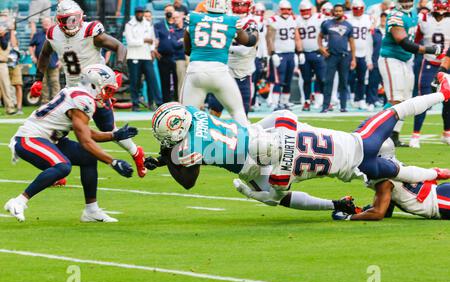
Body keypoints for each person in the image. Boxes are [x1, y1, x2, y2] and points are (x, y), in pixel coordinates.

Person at [145, 73, 450, 210]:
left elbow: (187, 181)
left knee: (271, 196)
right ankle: (443, 94)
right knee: (273, 187)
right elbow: (286, 119)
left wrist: (167, 153)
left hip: (261, 160)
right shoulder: (194, 115)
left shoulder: (190, 146)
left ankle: (333, 203)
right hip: (273, 139)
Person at [4, 65, 136, 223]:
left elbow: (85, 132)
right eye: (107, 89)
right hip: (30, 137)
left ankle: (91, 211)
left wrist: (114, 135)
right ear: (94, 84)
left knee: (87, 157)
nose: (108, 95)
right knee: (63, 166)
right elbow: (85, 140)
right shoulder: (84, 99)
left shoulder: (78, 93)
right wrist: (113, 162)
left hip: (49, 138)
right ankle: (19, 201)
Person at [31, 0, 147, 178]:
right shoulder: (53, 33)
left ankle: (136, 152)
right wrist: (38, 80)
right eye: (67, 20)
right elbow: (45, 54)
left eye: (74, 19)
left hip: (95, 89)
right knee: (55, 132)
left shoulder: (90, 31)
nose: (72, 23)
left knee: (109, 129)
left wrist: (118, 71)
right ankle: (57, 170)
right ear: (59, 20)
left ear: (81, 17)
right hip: (71, 92)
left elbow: (120, 47)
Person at [181, 0, 259, 127]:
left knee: (186, 116)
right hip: (219, 72)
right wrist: (254, 32)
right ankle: (249, 143)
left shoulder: (193, 18)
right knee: (238, 112)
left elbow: (187, 51)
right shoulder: (232, 21)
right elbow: (249, 41)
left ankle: (179, 145)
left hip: (195, 71)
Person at [333, 139, 450, 220]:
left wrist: (348, 217)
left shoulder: (383, 179)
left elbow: (378, 213)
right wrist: (359, 210)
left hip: (439, 201)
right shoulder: (392, 167)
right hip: (439, 193)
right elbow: (386, 207)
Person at [379, 0, 442, 147]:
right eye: (403, 0)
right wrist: (429, 49)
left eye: (409, 0)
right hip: (391, 58)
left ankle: (394, 136)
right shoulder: (395, 15)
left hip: (406, 60)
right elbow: (404, 42)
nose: (407, 3)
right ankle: (376, 133)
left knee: (405, 101)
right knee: (395, 99)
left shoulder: (413, 14)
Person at [408, 0, 450, 148]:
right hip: (429, 64)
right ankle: (415, 135)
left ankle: (447, 132)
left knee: (448, 101)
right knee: (424, 99)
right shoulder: (424, 19)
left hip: (447, 64)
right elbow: (416, 41)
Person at [207, 0, 259, 117]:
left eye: (243, 5)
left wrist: (225, 47)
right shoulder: (225, 19)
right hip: (223, 70)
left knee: (241, 114)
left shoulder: (251, 22)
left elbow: (245, 50)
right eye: (237, 5)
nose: (240, 8)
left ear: (249, 6)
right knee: (215, 109)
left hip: (242, 73)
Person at [318, 4, 356, 113]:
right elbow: (320, 36)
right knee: (328, 81)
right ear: (333, 12)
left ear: (343, 12)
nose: (338, 13)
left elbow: (352, 42)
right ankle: (325, 106)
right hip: (331, 56)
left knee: (343, 82)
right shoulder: (327, 24)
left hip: (344, 56)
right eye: (336, 11)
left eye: (340, 11)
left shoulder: (348, 25)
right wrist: (321, 48)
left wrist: (353, 58)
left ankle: (343, 107)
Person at [266, 0, 302, 111]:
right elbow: (269, 39)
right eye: (283, 9)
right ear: (279, 10)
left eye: (288, 9)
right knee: (278, 80)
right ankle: (275, 103)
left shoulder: (293, 19)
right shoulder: (273, 20)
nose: (286, 11)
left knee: (288, 79)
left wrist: (299, 52)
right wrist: (272, 53)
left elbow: (297, 37)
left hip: (290, 53)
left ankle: (285, 102)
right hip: (279, 54)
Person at [124, 6, 160, 111]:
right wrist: (144, 40)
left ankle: (154, 103)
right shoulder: (129, 25)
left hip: (146, 56)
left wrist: (152, 50)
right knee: (135, 81)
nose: (139, 14)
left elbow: (152, 40)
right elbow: (130, 42)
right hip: (134, 56)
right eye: (138, 12)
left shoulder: (148, 24)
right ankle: (135, 104)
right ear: (135, 13)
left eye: (141, 12)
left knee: (152, 80)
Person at [297, 0, 326, 111]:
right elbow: (296, 36)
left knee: (321, 78)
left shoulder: (319, 17)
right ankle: (307, 101)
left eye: (307, 10)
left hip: (317, 52)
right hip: (305, 54)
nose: (305, 13)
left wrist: (324, 46)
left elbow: (327, 31)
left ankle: (323, 101)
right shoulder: (297, 20)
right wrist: (299, 52)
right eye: (303, 11)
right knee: (306, 79)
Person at [347, 0, 373, 111]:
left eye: (360, 8)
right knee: (349, 77)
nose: (358, 11)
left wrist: (369, 57)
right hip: (349, 52)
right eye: (355, 8)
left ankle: (360, 99)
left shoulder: (368, 18)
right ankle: (352, 97)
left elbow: (369, 39)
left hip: (363, 52)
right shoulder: (347, 18)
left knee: (362, 78)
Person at [29, 17, 61, 105]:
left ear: (51, 23)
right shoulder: (37, 34)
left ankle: (56, 102)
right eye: (44, 22)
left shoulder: (56, 34)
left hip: (54, 63)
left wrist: (61, 60)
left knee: (55, 83)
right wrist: (33, 56)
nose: (46, 24)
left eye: (48, 22)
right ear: (42, 24)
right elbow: (31, 46)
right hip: (41, 65)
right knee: (43, 83)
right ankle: (45, 102)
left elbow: (63, 47)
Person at [154, 4, 180, 102]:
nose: (169, 12)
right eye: (167, 11)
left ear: (174, 12)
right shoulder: (158, 25)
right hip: (163, 56)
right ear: (164, 13)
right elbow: (155, 39)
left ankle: (177, 101)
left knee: (178, 80)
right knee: (165, 81)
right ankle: (166, 102)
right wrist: (155, 50)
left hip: (176, 56)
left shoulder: (178, 24)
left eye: (170, 10)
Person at [366, 12, 387, 110]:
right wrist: (369, 61)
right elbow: (369, 47)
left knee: (387, 83)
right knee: (373, 82)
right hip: (376, 60)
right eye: (382, 18)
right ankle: (371, 101)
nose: (384, 20)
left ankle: (387, 103)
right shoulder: (374, 31)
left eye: (385, 18)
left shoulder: (392, 31)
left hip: (388, 61)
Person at [0, 19, 15, 115]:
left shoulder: (6, 36)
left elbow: (4, 46)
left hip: (2, 64)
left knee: (6, 86)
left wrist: (1, 36)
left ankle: (9, 108)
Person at [173, 10, 187, 99]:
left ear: (182, 17)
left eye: (177, 17)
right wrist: (184, 40)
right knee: (181, 82)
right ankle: (181, 102)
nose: (175, 19)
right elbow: (174, 44)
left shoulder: (187, 28)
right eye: (173, 18)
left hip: (190, 58)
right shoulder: (172, 30)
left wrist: (182, 40)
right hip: (180, 59)